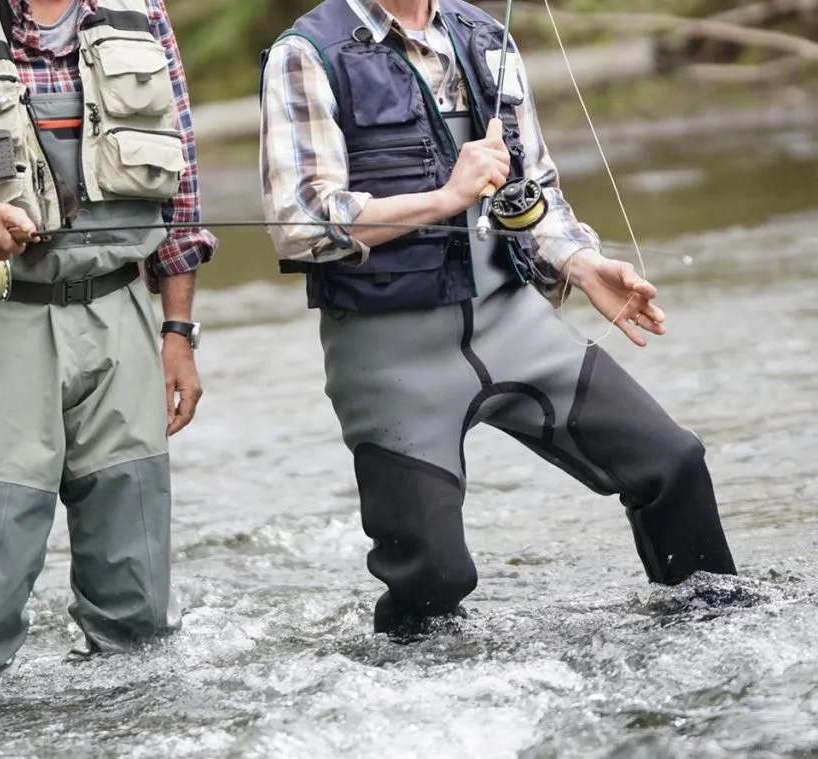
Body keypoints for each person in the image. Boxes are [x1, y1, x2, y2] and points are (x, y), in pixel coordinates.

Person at [259, 0, 738, 638]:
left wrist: (583, 263)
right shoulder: (305, 53)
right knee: (432, 579)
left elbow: (532, 183)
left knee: (673, 462)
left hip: (517, 325)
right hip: (390, 355)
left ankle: (714, 637)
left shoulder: (487, 34)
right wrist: (447, 198)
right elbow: (299, 227)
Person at [0, 0, 216, 696]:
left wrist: (179, 334)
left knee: (139, 612)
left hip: (124, 321)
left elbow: (183, 190)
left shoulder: (142, 12)